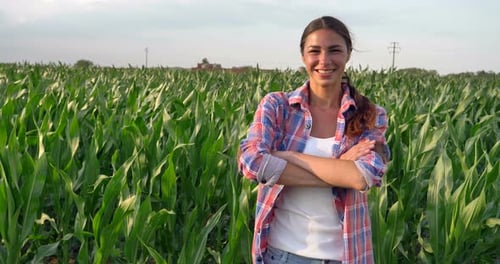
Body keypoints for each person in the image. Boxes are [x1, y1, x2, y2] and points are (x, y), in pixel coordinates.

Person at [237, 16, 390, 264]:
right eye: (314, 51)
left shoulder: (371, 115)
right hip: (283, 255)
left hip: (347, 256)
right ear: (303, 56)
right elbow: (252, 163)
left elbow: (362, 176)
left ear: (348, 54)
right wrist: (340, 170)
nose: (324, 60)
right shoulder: (278, 107)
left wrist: (286, 156)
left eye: (334, 50)